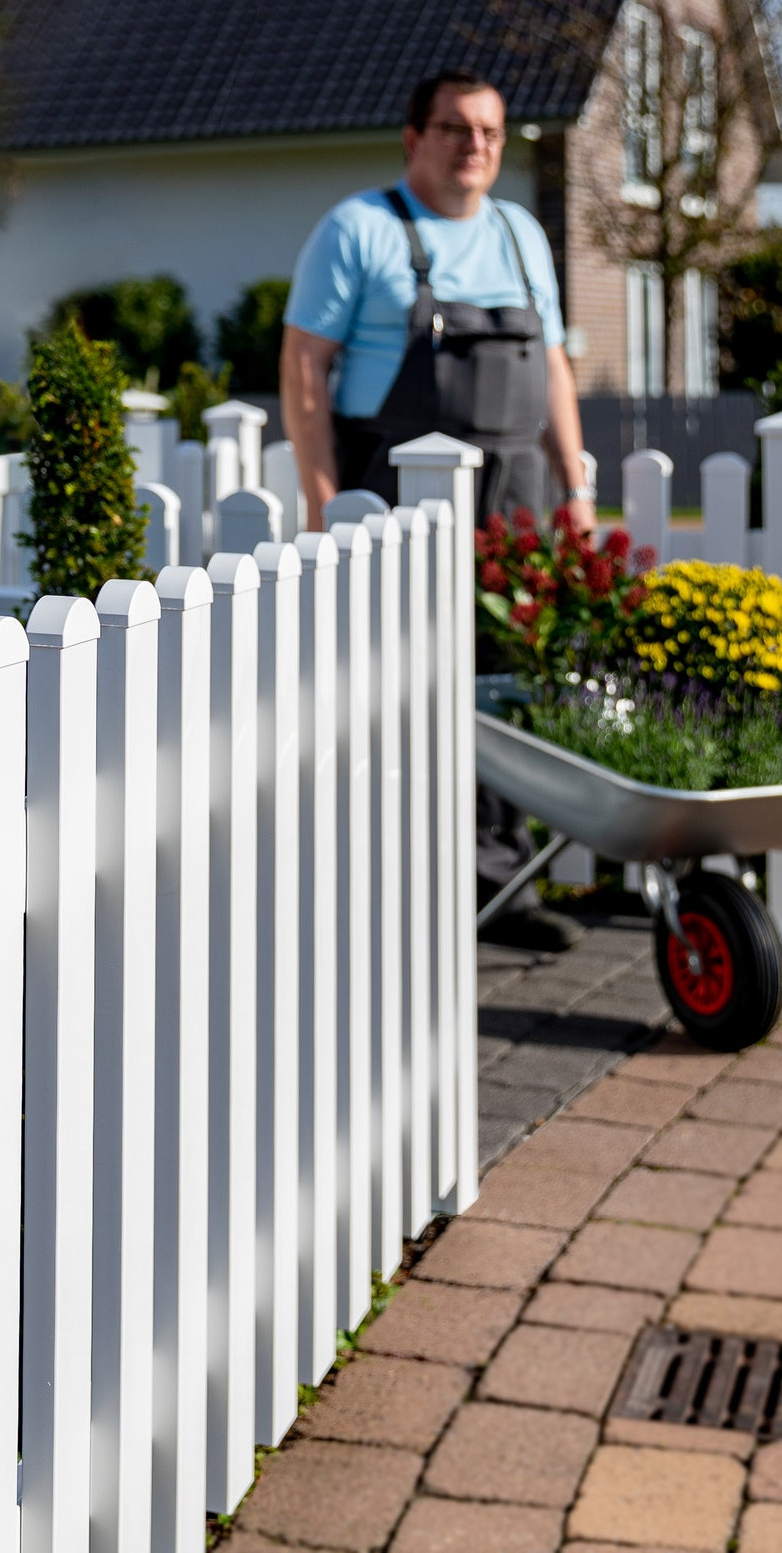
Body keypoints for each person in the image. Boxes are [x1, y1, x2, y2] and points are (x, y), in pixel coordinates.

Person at [280, 66, 593, 954]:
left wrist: (573, 491)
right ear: (414, 137)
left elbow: (553, 366)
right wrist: (323, 500)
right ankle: (381, 888)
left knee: (505, 682)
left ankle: (499, 888)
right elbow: (304, 365)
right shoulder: (359, 229)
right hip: (390, 484)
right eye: (455, 128)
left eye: (489, 131)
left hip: (516, 496)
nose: (475, 146)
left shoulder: (520, 234)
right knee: (392, 683)